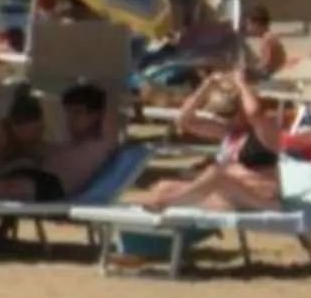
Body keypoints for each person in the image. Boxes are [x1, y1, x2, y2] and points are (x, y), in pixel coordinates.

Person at [120, 68, 290, 213]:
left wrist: (240, 83)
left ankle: (165, 204)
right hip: (230, 195)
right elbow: (184, 120)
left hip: (262, 198)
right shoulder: (231, 133)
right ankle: (118, 206)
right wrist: (207, 85)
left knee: (216, 173)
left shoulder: (267, 134)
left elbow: (254, 112)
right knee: (164, 186)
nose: (228, 117)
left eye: (234, 111)